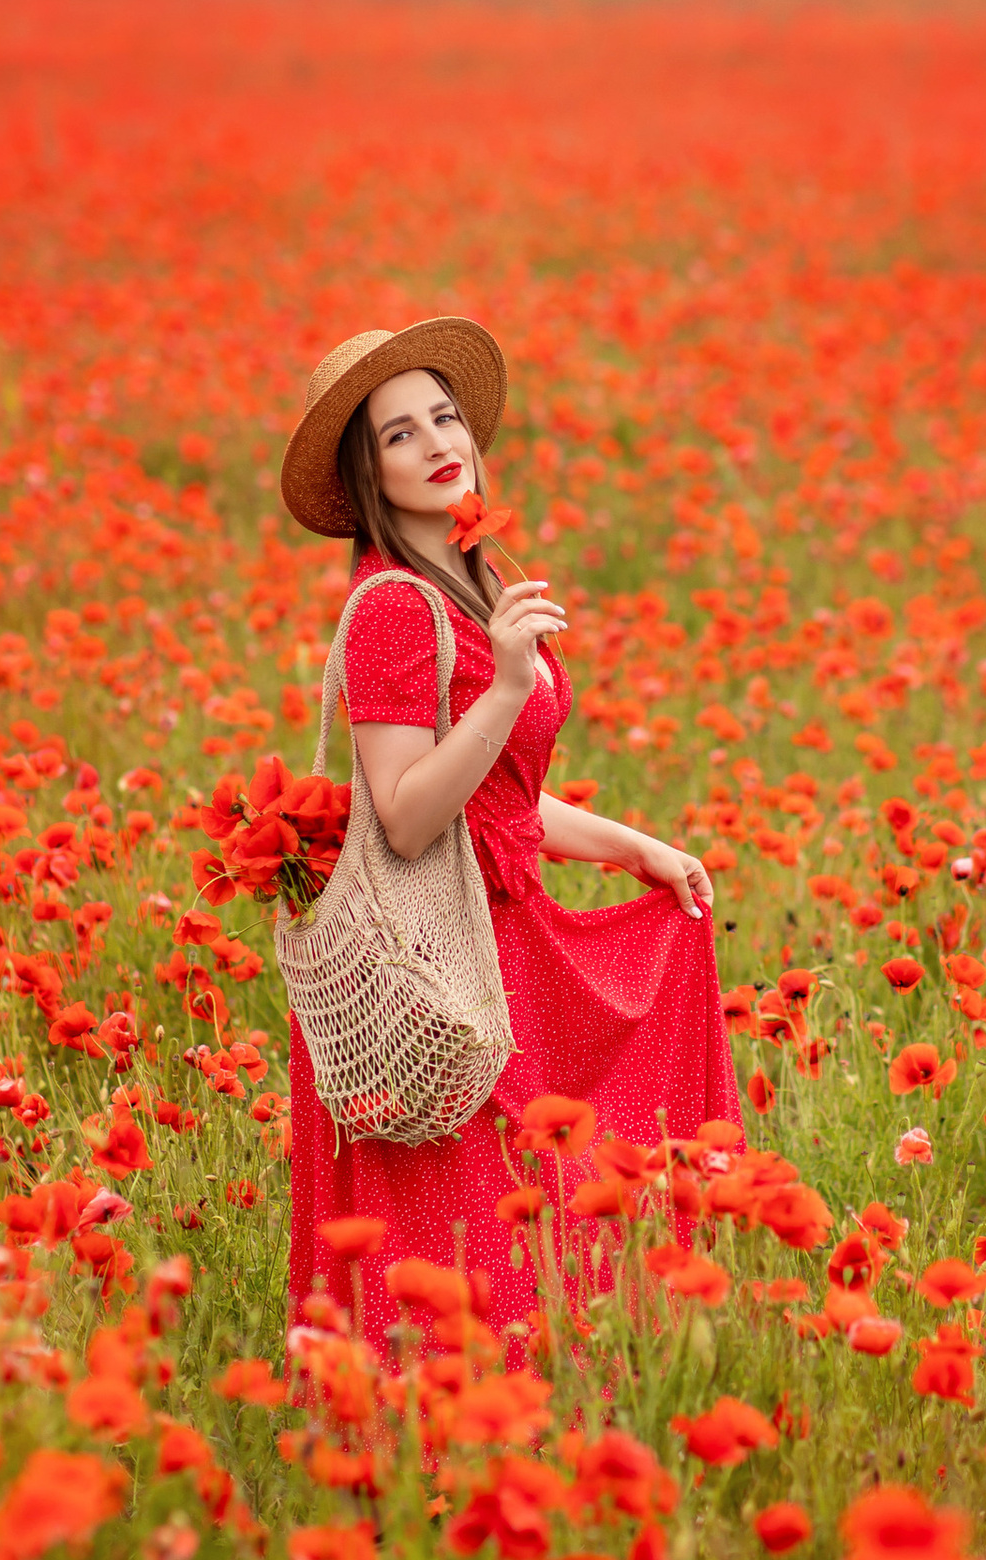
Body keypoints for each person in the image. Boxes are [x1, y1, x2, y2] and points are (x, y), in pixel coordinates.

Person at [277, 315, 740, 1345]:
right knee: (466, 1263)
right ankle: (429, 1477)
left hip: (505, 938)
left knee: (522, 1250)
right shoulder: (394, 608)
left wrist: (633, 847)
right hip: (442, 963)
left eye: (444, 417)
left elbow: (492, 802)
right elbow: (403, 817)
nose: (438, 442)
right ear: (363, 478)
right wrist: (511, 684)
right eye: (399, 434)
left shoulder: (467, 582)